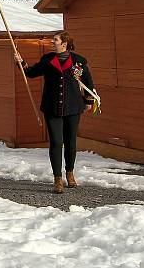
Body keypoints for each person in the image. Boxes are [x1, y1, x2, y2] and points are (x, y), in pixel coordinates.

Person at [15, 31, 96, 194]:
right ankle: (57, 179)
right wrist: (20, 61)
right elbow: (31, 73)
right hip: (52, 108)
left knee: (71, 142)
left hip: (73, 108)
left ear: (64, 43)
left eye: (55, 40)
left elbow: (88, 81)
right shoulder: (47, 60)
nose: (53, 42)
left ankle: (70, 173)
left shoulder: (78, 62)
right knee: (56, 142)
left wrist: (88, 101)